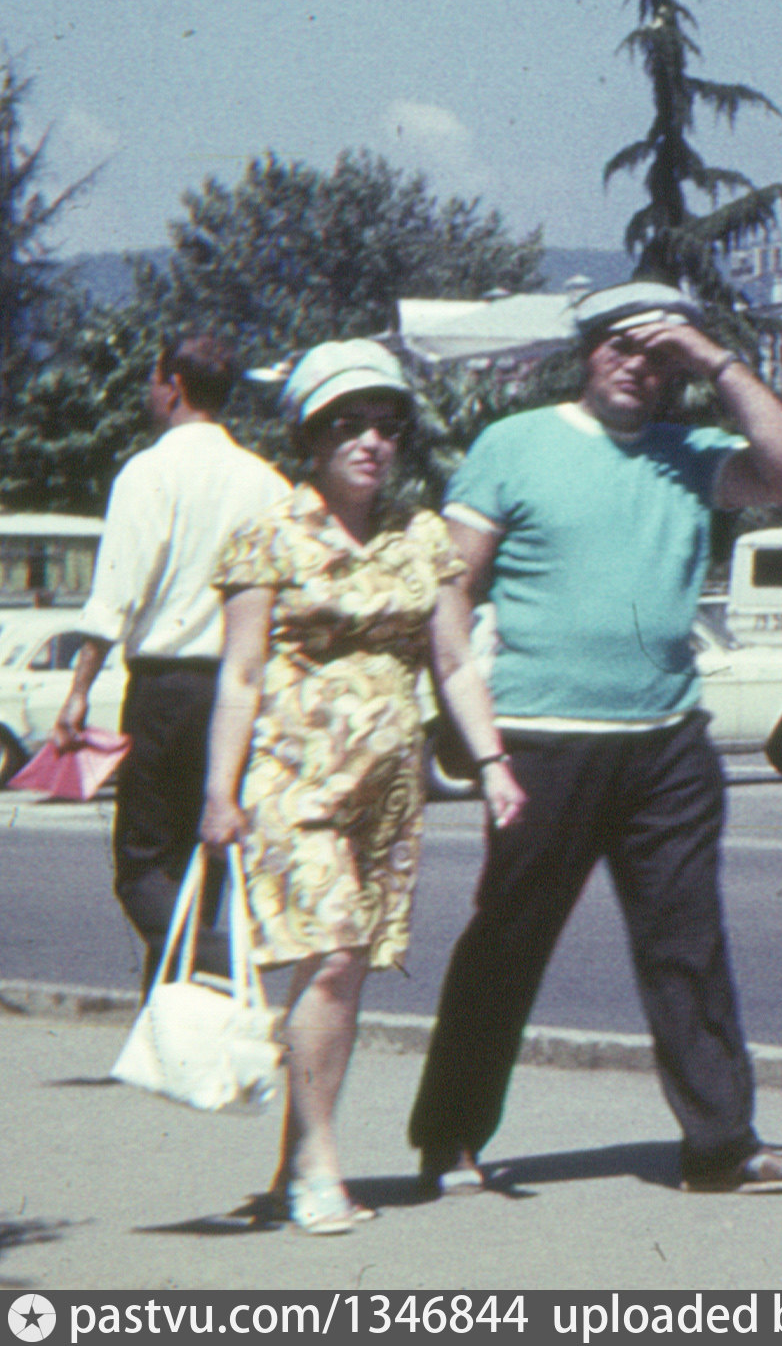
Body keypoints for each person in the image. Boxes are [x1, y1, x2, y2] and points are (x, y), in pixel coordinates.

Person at [404, 280, 782, 1200]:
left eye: (659, 353)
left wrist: (713, 358)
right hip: (542, 740)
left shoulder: (691, 452)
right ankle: (451, 1137)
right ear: (586, 351)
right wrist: (478, 734)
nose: (639, 366)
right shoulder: (514, 443)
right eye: (620, 346)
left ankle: (721, 1146)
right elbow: (449, 585)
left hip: (666, 744)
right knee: (507, 941)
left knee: (688, 944)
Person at [198, 343, 520, 1237]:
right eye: (349, 423)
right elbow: (241, 672)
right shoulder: (268, 534)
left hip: (387, 791)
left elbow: (454, 664)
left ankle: (299, 1150)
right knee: (333, 953)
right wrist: (219, 793)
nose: (372, 440)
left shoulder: (422, 538)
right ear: (311, 435)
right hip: (290, 780)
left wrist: (491, 762)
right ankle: (316, 1169)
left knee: (338, 970)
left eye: (387, 423)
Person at [55, 333, 288, 985]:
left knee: (140, 871)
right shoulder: (266, 482)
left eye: (151, 378)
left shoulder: (148, 472)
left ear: (173, 386)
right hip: (238, 689)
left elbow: (116, 594)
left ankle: (232, 965)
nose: (147, 391)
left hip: (163, 687)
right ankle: (172, 1025)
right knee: (200, 860)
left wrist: (78, 692)